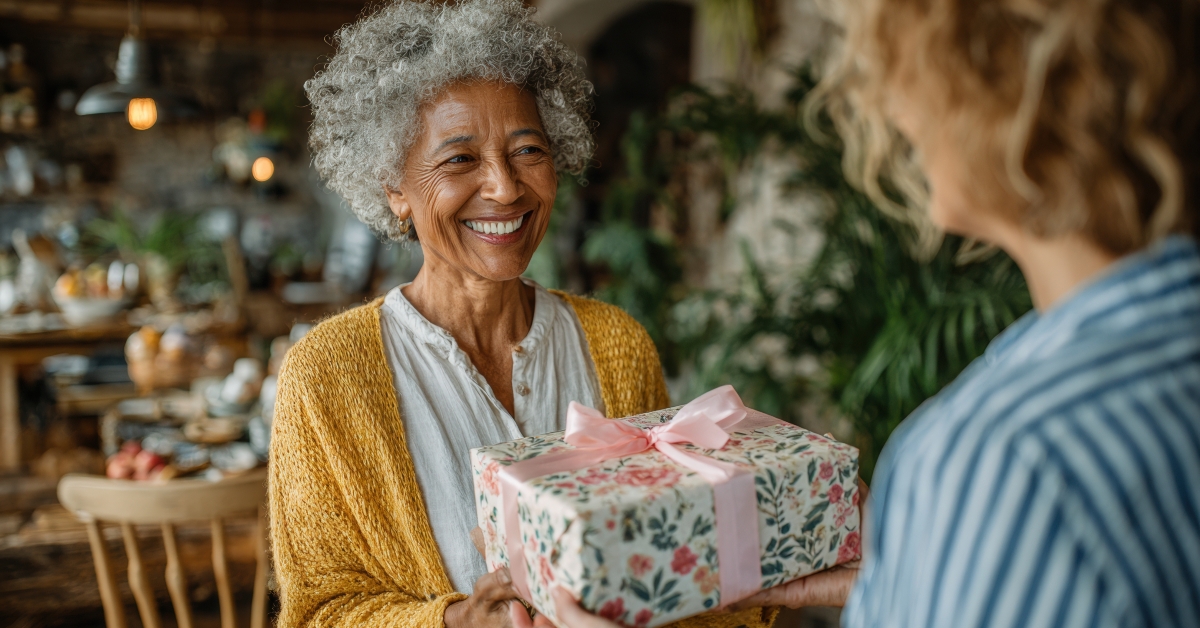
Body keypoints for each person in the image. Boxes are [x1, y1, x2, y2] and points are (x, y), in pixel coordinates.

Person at [539, 0, 1200, 626]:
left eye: (905, 65)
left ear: (1007, 93)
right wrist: (906, 573)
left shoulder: (1004, 461)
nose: (888, 106)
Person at [267, 1, 777, 627]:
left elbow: (665, 565)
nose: (506, 188)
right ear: (394, 188)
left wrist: (764, 560)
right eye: (460, 159)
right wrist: (457, 622)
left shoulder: (617, 344)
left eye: (527, 150)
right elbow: (319, 611)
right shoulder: (326, 376)